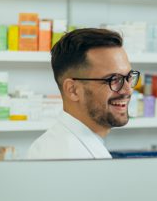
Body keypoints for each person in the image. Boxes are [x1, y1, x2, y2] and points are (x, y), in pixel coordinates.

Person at [27, 28, 139, 159]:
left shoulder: (54, 143)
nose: (128, 90)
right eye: (113, 79)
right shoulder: (70, 157)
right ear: (73, 90)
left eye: (129, 77)